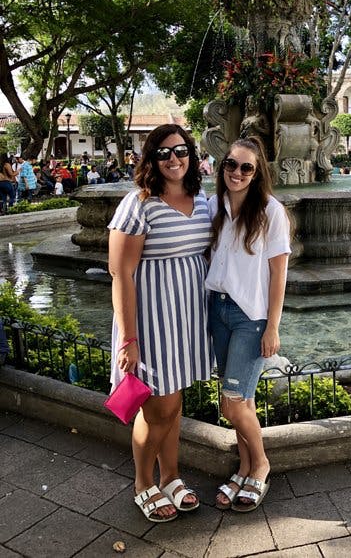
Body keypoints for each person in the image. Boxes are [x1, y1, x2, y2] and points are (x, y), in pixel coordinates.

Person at [108, 124, 213, 523]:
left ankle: (170, 476)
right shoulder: (139, 204)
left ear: (192, 154)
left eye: (181, 151)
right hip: (151, 323)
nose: (174, 159)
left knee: (174, 402)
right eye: (164, 153)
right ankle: (142, 483)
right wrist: (128, 339)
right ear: (151, 159)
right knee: (158, 408)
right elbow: (121, 274)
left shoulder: (201, 200)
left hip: (187, 319)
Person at [206, 136, 291, 513]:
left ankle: (261, 463)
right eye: (230, 164)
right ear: (222, 166)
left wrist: (273, 326)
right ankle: (242, 468)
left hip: (250, 317)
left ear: (257, 174)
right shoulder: (214, 207)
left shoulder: (271, 211)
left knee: (231, 403)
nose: (236, 173)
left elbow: (279, 274)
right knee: (244, 400)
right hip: (218, 310)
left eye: (246, 168)